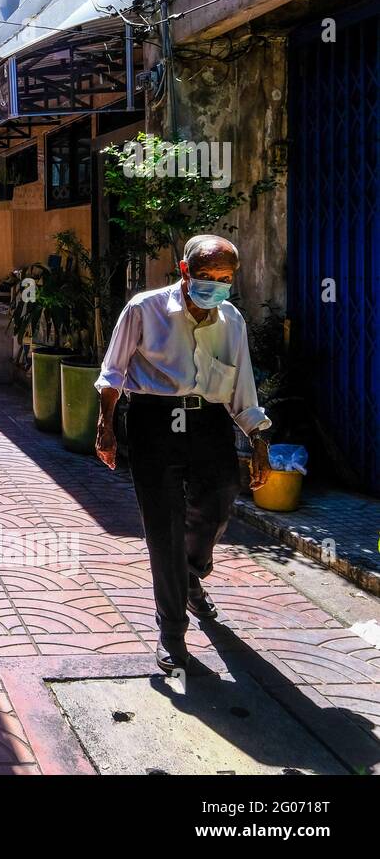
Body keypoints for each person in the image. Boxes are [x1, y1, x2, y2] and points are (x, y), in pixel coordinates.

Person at [94, 235, 271, 673]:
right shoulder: (144, 308)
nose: (215, 285)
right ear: (184, 271)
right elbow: (113, 372)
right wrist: (107, 426)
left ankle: (191, 572)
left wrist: (259, 439)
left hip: (207, 421)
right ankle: (172, 631)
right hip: (154, 420)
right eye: (207, 276)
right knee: (163, 528)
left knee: (219, 498)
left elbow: (241, 387)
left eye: (225, 279)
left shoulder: (231, 320)